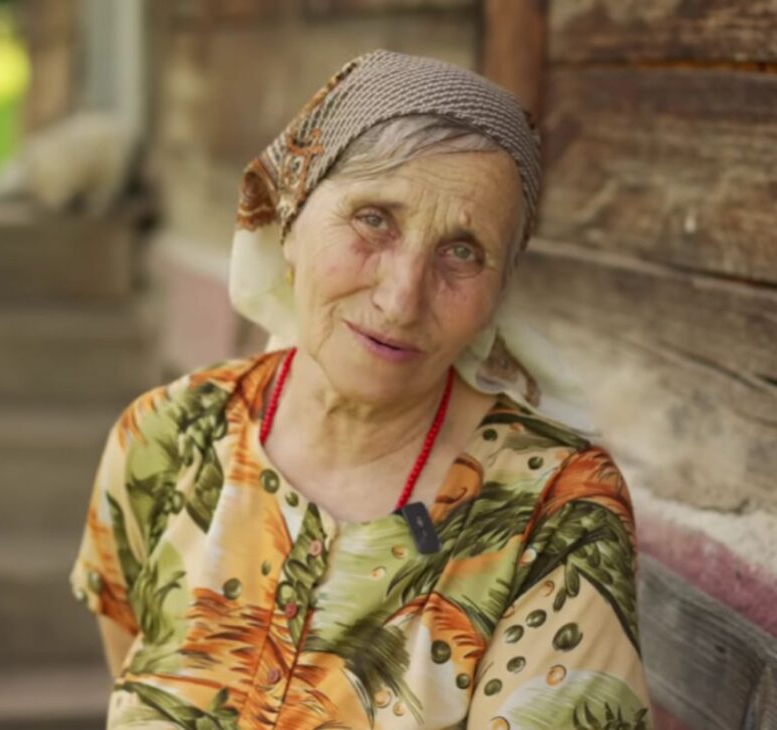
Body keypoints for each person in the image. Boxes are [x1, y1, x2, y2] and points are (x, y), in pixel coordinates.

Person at [70, 50, 652, 729]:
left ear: (498, 293)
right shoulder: (168, 437)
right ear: (287, 217)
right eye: (374, 219)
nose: (402, 298)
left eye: (462, 251)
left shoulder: (555, 512)